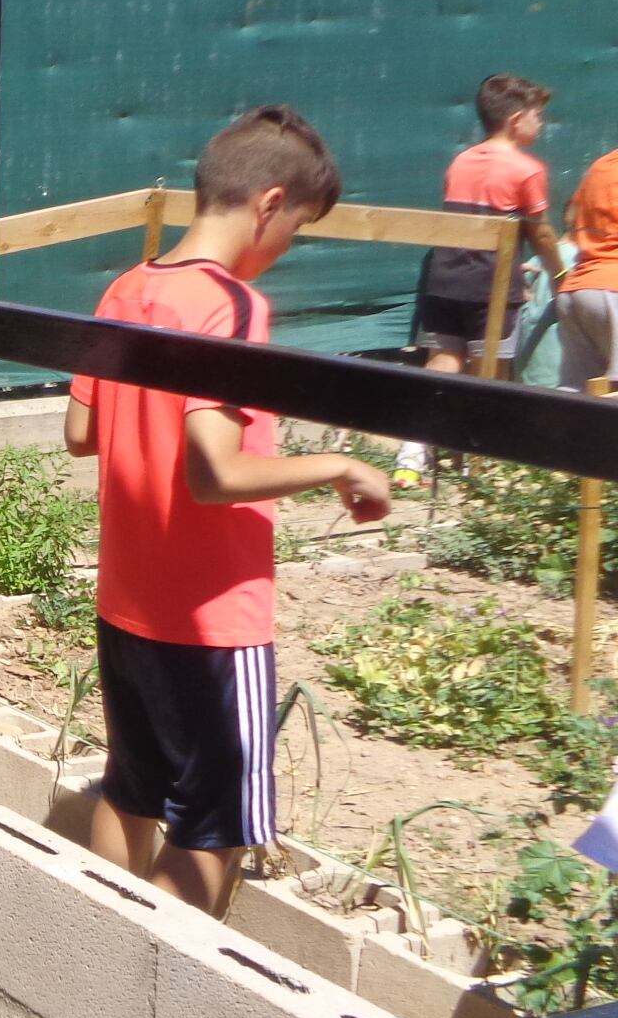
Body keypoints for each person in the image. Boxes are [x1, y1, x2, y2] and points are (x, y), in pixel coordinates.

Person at [66, 107, 391, 916]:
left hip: (128, 599)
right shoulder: (233, 305)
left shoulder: (127, 286)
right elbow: (215, 474)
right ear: (269, 204)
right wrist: (341, 465)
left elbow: (82, 431)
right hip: (212, 618)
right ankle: (151, 992)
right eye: (298, 230)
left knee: (132, 791)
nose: (287, 249)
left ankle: (97, 960)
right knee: (215, 829)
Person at [394, 73, 564, 484]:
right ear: (516, 118)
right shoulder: (527, 169)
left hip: (446, 280)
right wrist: (560, 271)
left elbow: (472, 225)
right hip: (491, 287)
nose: (541, 124)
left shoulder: (461, 161)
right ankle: (480, 461)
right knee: (493, 371)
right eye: (538, 115)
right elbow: (537, 231)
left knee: (442, 362)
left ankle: (413, 454)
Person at [556, 144, 618, 389]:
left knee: (576, 400)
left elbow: (571, 216)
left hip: (577, 292)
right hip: (611, 293)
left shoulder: (601, 165)